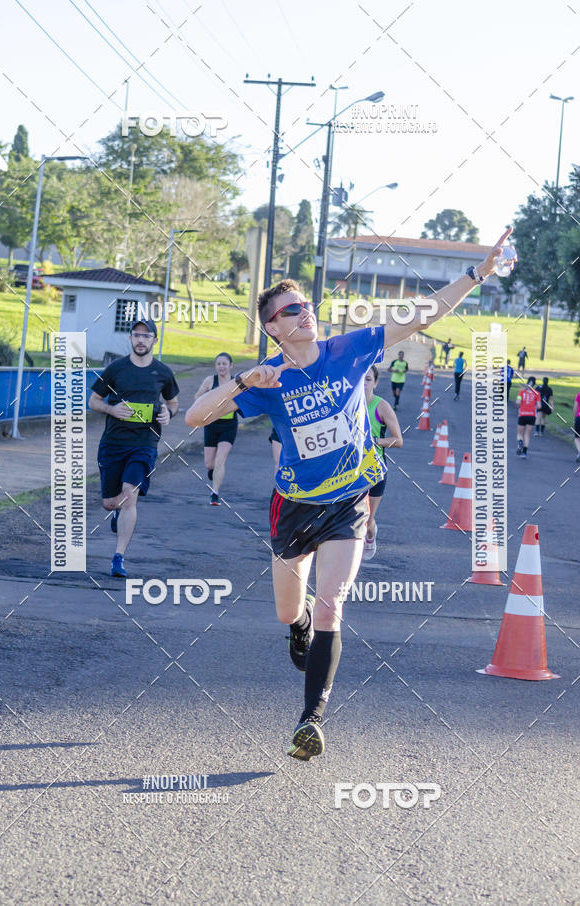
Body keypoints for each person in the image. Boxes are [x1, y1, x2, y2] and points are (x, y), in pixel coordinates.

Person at [185, 227, 511, 762]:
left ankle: (310, 720)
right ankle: (298, 625)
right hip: (293, 507)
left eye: (305, 305)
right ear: (272, 327)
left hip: (348, 502)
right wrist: (246, 380)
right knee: (290, 610)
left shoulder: (350, 348)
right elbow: (197, 417)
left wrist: (478, 271)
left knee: (333, 603)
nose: (303, 313)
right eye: (290, 311)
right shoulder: (267, 381)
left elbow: (423, 314)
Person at [89, 319, 179, 577]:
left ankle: (118, 558)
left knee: (130, 493)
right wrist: (111, 408)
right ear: (130, 338)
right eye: (137, 335)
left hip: (144, 443)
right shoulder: (116, 369)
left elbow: (173, 403)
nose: (141, 340)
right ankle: (116, 513)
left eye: (146, 335)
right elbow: (93, 400)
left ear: (154, 340)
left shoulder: (162, 372)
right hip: (114, 443)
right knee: (109, 503)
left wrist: (168, 415)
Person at [362, 366, 403, 560]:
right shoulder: (345, 405)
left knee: (367, 518)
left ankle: (371, 534)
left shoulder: (381, 406)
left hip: (374, 468)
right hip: (347, 470)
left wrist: (374, 441)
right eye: (360, 379)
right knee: (348, 516)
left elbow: (398, 440)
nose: (363, 384)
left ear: (376, 383)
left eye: (368, 379)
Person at [194, 352, 239, 505]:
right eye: (219, 364)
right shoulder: (210, 380)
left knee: (220, 460)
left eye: (224, 364)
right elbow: (197, 397)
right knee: (210, 464)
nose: (221, 367)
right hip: (211, 424)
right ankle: (214, 472)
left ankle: (215, 493)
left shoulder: (235, 382)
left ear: (230, 366)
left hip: (229, 425)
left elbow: (245, 399)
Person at [516, 375, 541, 459]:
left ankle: (520, 442)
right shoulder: (537, 393)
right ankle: (524, 453)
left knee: (520, 433)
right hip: (532, 416)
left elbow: (518, 402)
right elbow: (539, 406)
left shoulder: (521, 392)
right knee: (527, 434)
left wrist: (523, 403)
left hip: (522, 414)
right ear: (535, 384)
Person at [573, 389, 580, 462]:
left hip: (579, 417)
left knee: (577, 437)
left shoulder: (579, 394)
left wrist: (574, 418)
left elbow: (575, 408)